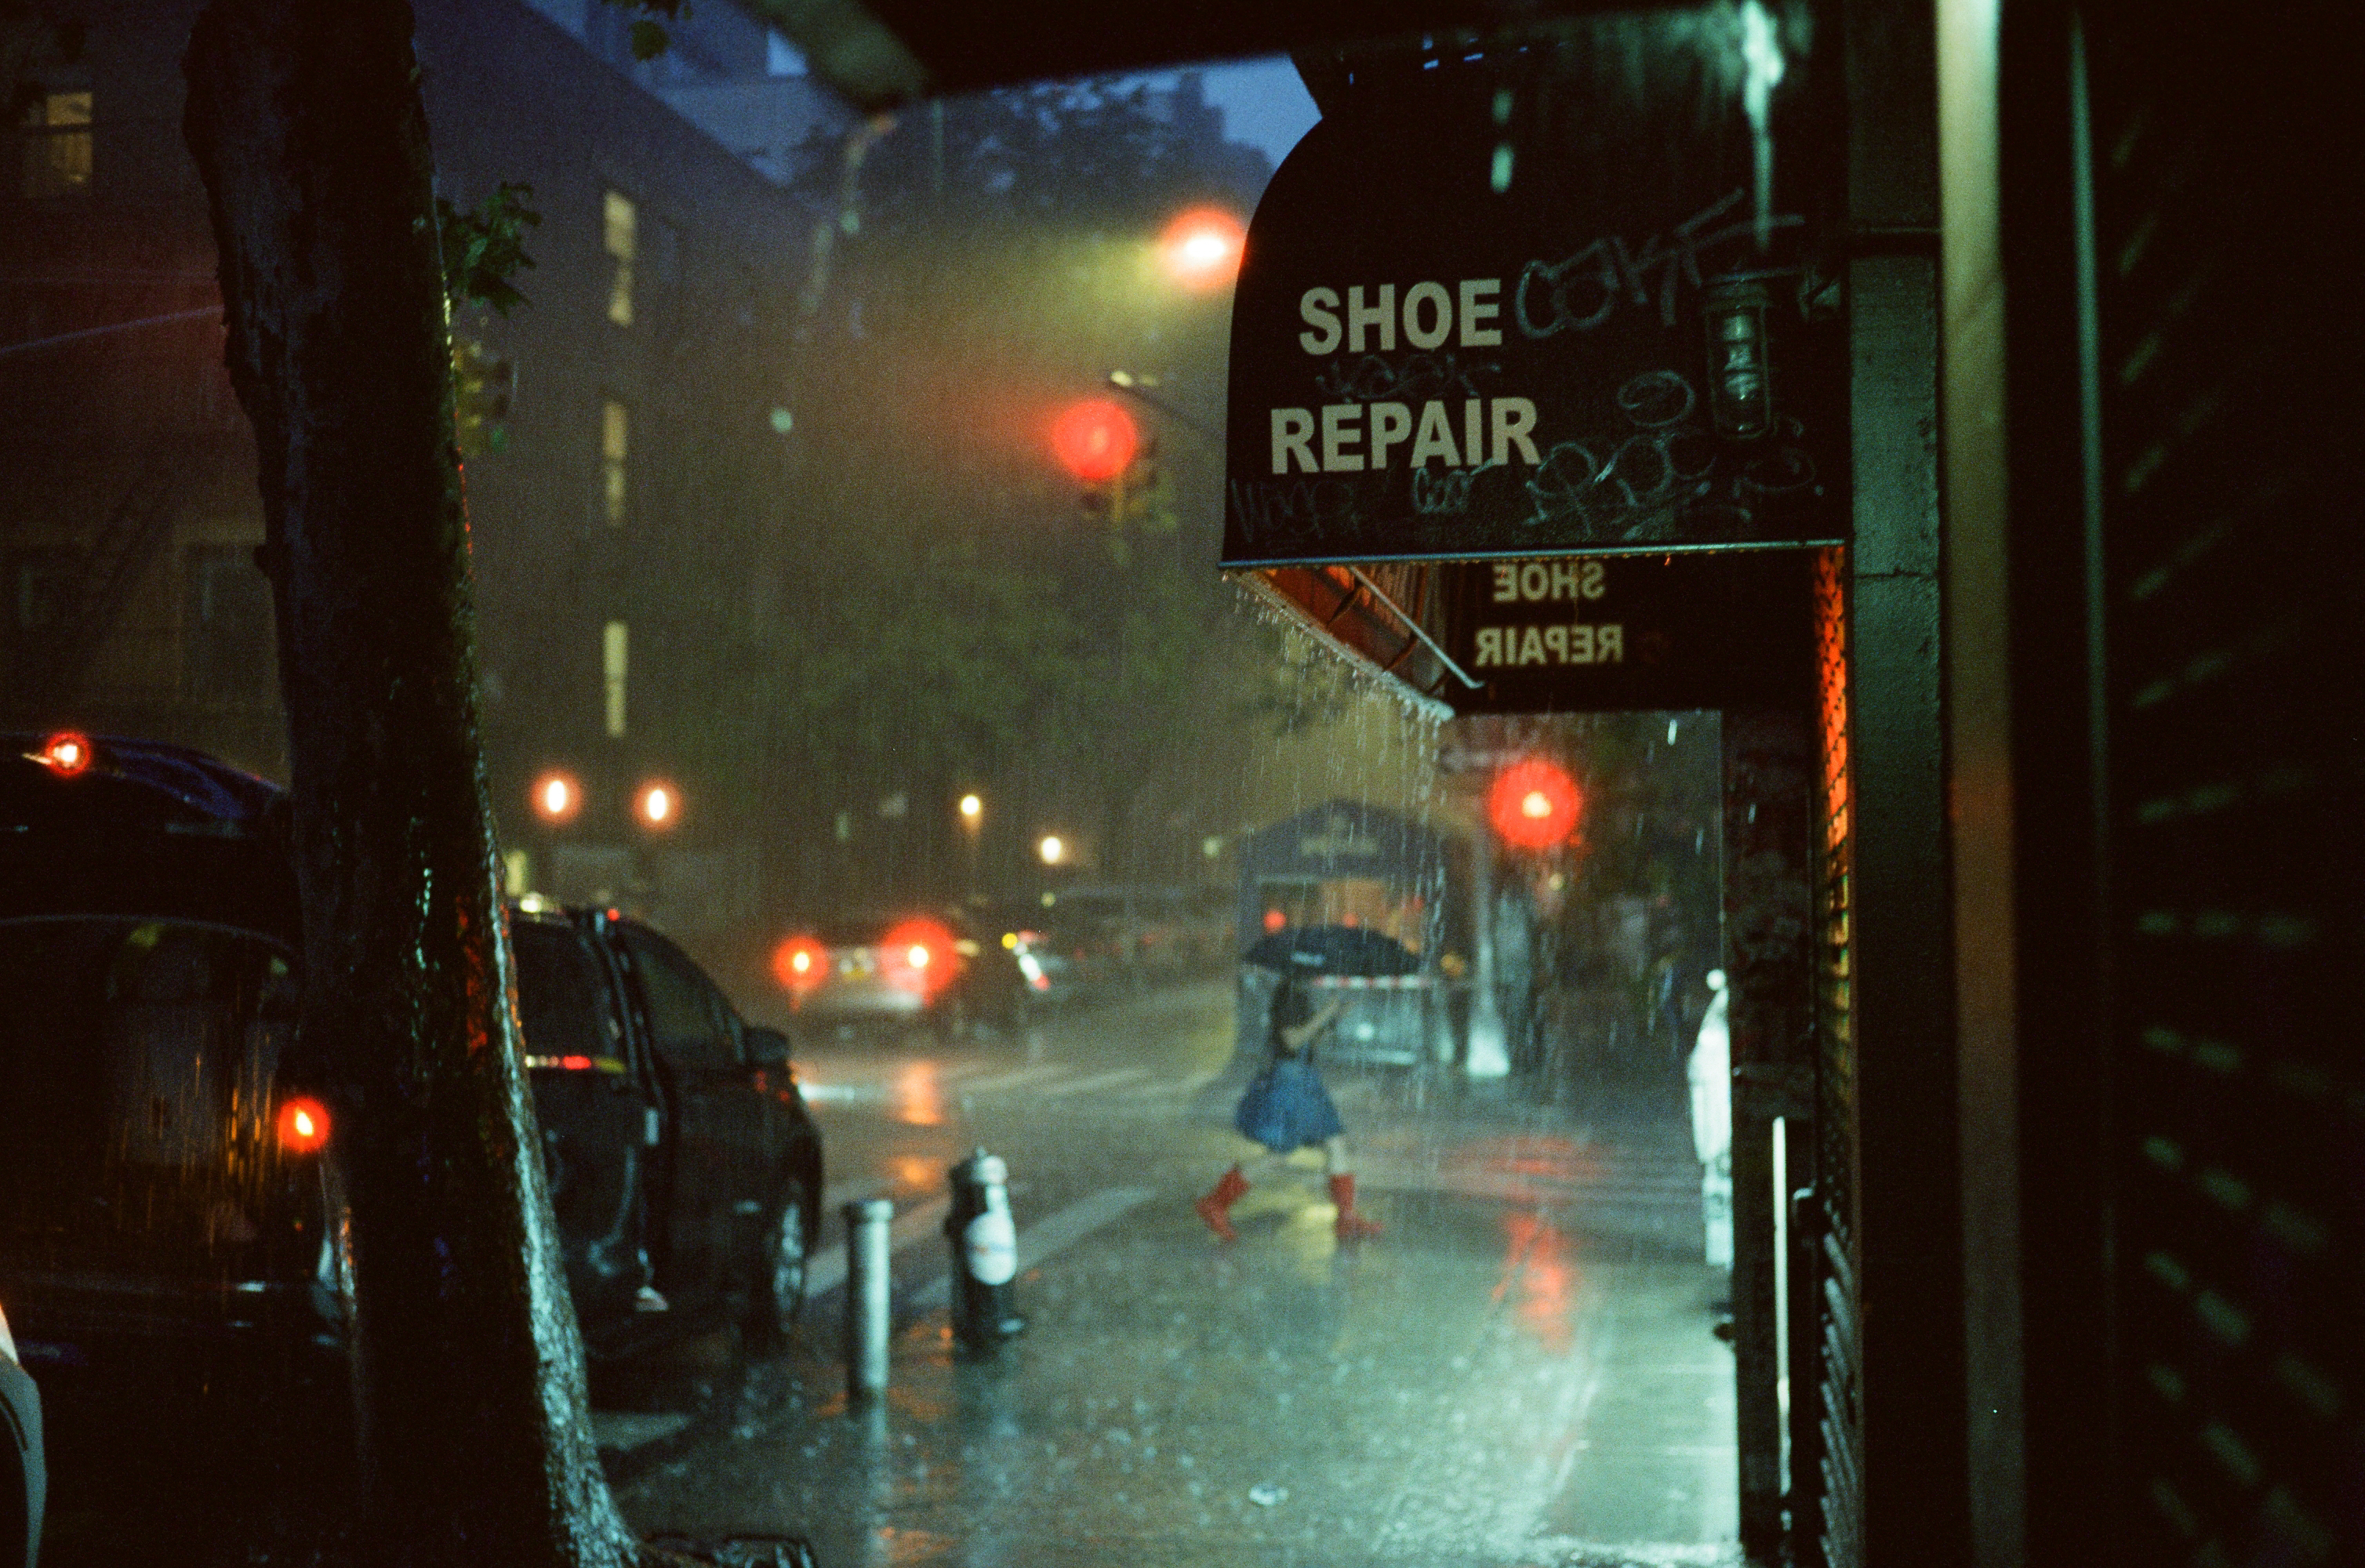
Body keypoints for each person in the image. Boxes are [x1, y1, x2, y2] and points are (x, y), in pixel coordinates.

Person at [1196, 975, 1382, 1242]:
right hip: (1290, 1086)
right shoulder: (1290, 996)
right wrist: (1326, 1013)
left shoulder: (1300, 995)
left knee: (1335, 1144)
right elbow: (1292, 1041)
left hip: (1305, 1082)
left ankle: (1347, 1218)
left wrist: (1336, 1017)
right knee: (1280, 1153)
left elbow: (1309, 1041)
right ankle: (1216, 1203)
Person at [1687, 968, 1734, 1271]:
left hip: (1721, 1137)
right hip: (1721, 1138)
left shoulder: (1718, 1020)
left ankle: (1729, 1255)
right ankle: (1728, 1255)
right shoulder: (1717, 1023)